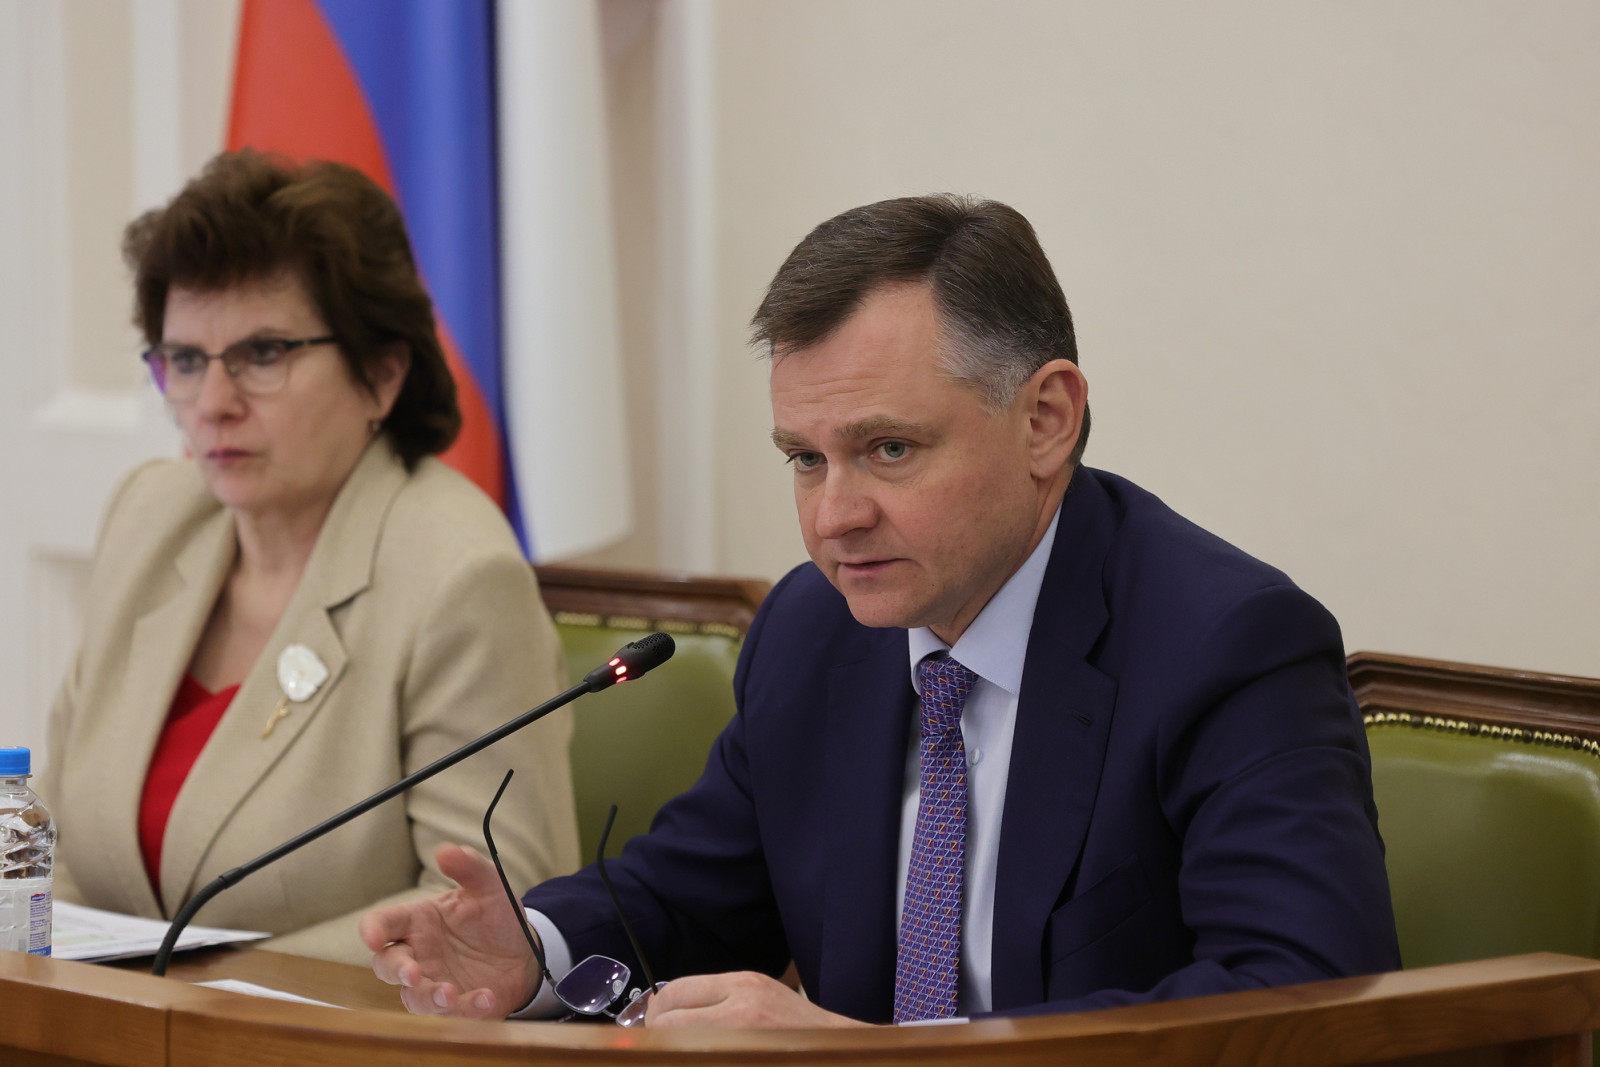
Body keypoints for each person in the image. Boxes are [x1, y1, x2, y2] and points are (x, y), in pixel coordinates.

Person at [362, 194, 1400, 1024]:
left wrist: (876, 1060)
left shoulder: (1226, 645)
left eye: (888, 448)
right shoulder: (814, 630)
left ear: (1046, 419)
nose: (834, 517)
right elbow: (686, 897)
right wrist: (532, 949)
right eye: (805, 459)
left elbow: (1305, 994)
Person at [42, 150, 580, 966]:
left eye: (263, 354)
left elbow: (484, 916)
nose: (213, 403)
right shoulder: (150, 517)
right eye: (184, 360)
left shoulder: (460, 578)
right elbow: (54, 844)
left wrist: (187, 991)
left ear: (380, 374)